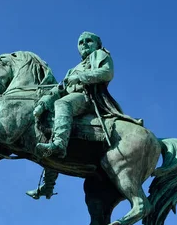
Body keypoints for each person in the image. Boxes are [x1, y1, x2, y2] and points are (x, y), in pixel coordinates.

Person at [27, 31, 141, 199]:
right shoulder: (72, 69)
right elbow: (60, 89)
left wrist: (81, 77)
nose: (84, 44)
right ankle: (48, 185)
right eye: (81, 42)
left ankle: (59, 144)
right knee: (49, 128)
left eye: (89, 41)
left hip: (87, 98)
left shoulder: (100, 55)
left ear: (97, 44)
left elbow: (107, 72)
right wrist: (43, 103)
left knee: (62, 104)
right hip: (72, 98)